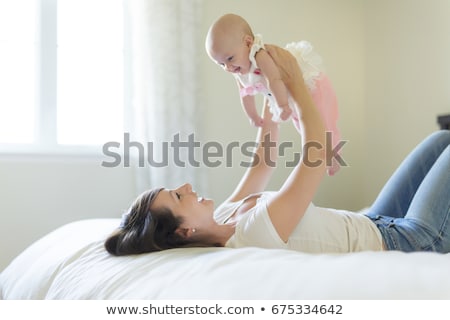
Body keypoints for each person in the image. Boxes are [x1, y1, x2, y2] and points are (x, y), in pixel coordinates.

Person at [104, 44, 450, 256]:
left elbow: (262, 163)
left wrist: (261, 84)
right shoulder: (251, 235)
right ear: (185, 232)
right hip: (406, 241)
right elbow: (315, 155)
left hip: (370, 218)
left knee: (439, 140)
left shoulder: (226, 214)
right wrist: (296, 81)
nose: (186, 188)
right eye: (178, 198)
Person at [205, 13, 341, 175]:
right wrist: (253, 116)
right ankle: (325, 156)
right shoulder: (238, 71)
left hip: (310, 85)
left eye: (230, 58)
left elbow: (274, 79)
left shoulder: (260, 54)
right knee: (302, 125)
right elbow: (245, 93)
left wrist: (282, 104)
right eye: (221, 64)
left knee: (323, 122)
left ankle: (334, 155)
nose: (228, 67)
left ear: (248, 43)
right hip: (292, 95)